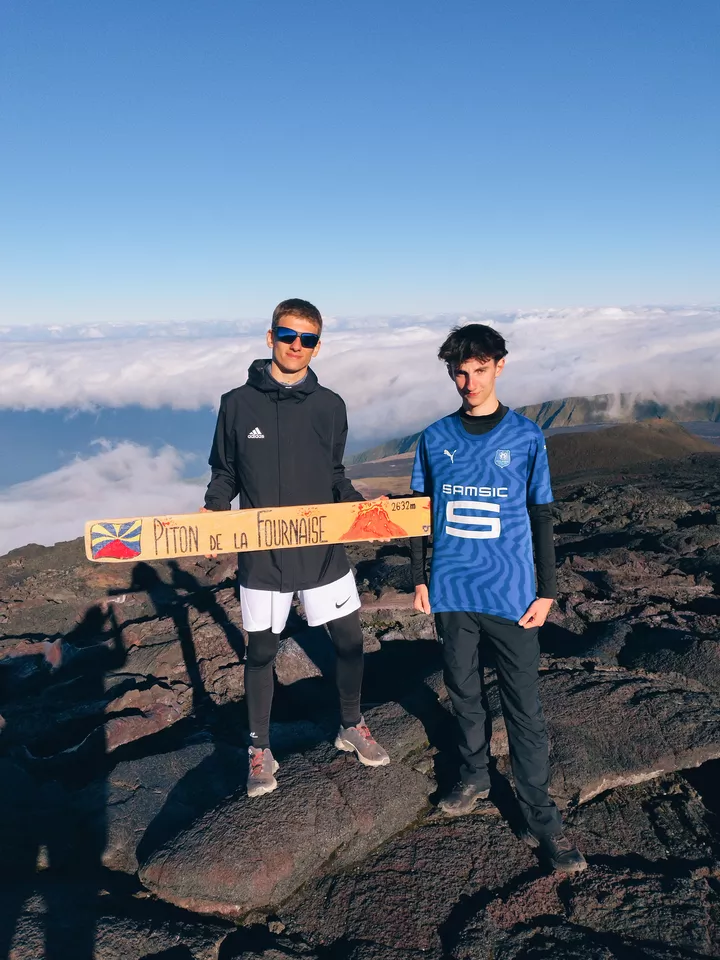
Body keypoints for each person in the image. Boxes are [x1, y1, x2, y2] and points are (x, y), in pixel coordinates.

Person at [410, 323, 586, 874]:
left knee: (524, 711)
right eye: (460, 372)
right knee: (464, 694)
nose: (469, 381)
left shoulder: (526, 437)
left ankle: (542, 819)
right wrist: (420, 578)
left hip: (511, 597)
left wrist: (548, 590)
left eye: (479, 369)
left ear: (500, 366)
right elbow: (419, 516)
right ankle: (474, 778)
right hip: (452, 593)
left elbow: (540, 517)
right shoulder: (434, 437)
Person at [203, 298, 389, 798]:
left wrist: (364, 511)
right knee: (261, 651)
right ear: (270, 337)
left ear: (318, 345)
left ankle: (352, 724)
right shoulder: (236, 403)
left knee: (349, 641)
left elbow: (334, 475)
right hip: (263, 556)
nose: (296, 346)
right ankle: (259, 749)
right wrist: (214, 511)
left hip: (323, 549)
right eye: (288, 335)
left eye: (307, 339)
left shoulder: (331, 406)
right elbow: (225, 472)